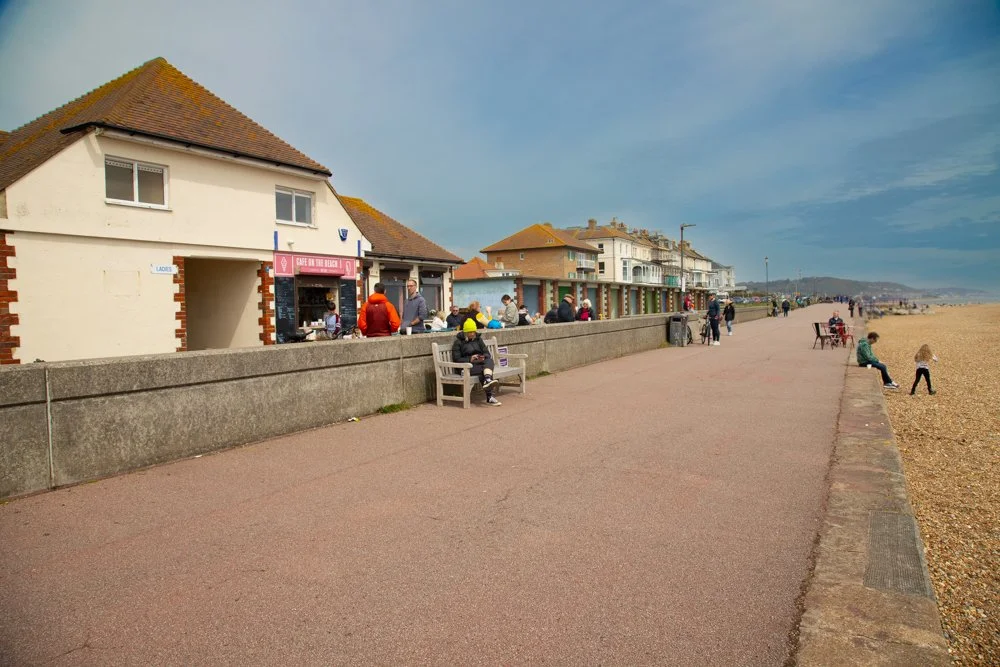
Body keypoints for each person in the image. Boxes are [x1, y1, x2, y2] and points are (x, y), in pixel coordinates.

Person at [452, 318, 501, 406]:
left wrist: (482, 357)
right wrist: (470, 359)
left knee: (489, 361)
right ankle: (489, 394)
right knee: (485, 370)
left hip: (479, 363)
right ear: (465, 332)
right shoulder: (458, 342)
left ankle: (487, 379)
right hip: (466, 367)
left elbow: (487, 353)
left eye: (473, 332)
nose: (471, 334)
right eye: (469, 332)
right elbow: (456, 359)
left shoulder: (479, 340)